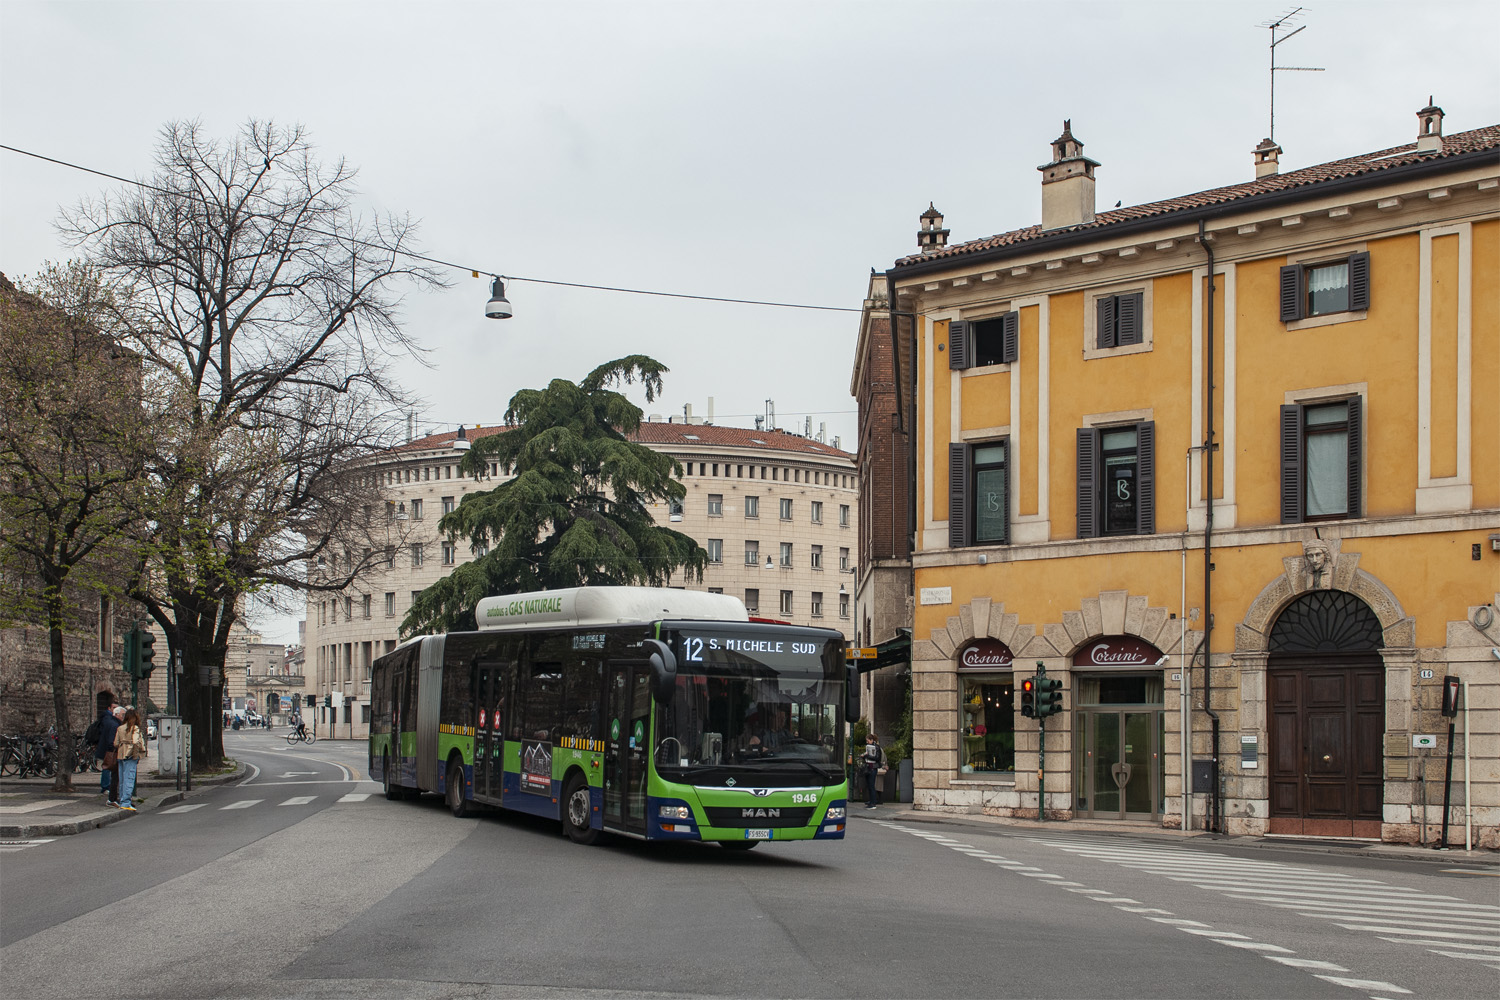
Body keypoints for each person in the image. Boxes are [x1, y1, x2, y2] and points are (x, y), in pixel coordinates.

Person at [113, 707, 147, 812]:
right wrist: (138, 752)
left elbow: (115, 743)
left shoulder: (120, 728)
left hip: (121, 754)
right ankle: (126, 802)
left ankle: (122, 800)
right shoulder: (135, 728)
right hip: (131, 755)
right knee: (129, 778)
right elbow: (136, 741)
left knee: (122, 779)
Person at [93, 690, 120, 802]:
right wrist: (111, 747)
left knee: (108, 767)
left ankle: (106, 787)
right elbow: (109, 736)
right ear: (109, 708)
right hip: (108, 748)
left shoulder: (108, 719)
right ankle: (105, 787)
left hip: (106, 747)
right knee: (107, 767)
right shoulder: (109, 720)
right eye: (113, 708)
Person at [861, 733, 886, 809]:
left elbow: (877, 758)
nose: (867, 742)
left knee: (871, 785)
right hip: (869, 767)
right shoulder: (872, 747)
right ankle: (871, 800)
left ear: (872, 740)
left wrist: (867, 756)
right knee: (869, 785)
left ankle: (873, 802)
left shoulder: (877, 747)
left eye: (868, 740)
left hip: (872, 767)